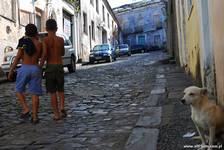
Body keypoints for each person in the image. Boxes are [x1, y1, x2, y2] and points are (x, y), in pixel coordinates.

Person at [8, 24, 42, 124]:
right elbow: (41, 56)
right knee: (35, 94)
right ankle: (35, 117)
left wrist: (11, 70)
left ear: (26, 32)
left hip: (25, 68)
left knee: (18, 89)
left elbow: (18, 57)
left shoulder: (23, 42)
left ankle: (26, 108)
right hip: (35, 68)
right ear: (36, 32)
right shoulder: (39, 43)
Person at [40, 19, 66, 120]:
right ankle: (62, 107)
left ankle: (56, 114)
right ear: (56, 28)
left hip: (50, 67)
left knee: (52, 92)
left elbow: (45, 54)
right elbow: (62, 53)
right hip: (59, 65)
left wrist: (40, 66)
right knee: (61, 89)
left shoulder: (45, 40)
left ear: (46, 29)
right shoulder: (61, 40)